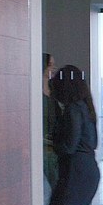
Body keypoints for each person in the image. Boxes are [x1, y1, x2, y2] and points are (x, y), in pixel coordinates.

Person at [48, 65, 100, 205]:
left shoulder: (72, 110)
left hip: (74, 173)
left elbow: (68, 146)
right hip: (88, 171)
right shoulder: (87, 108)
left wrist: (52, 143)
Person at [42, 53, 60, 186]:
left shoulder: (55, 91)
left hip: (55, 146)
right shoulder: (34, 93)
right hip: (45, 147)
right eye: (50, 65)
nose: (53, 68)